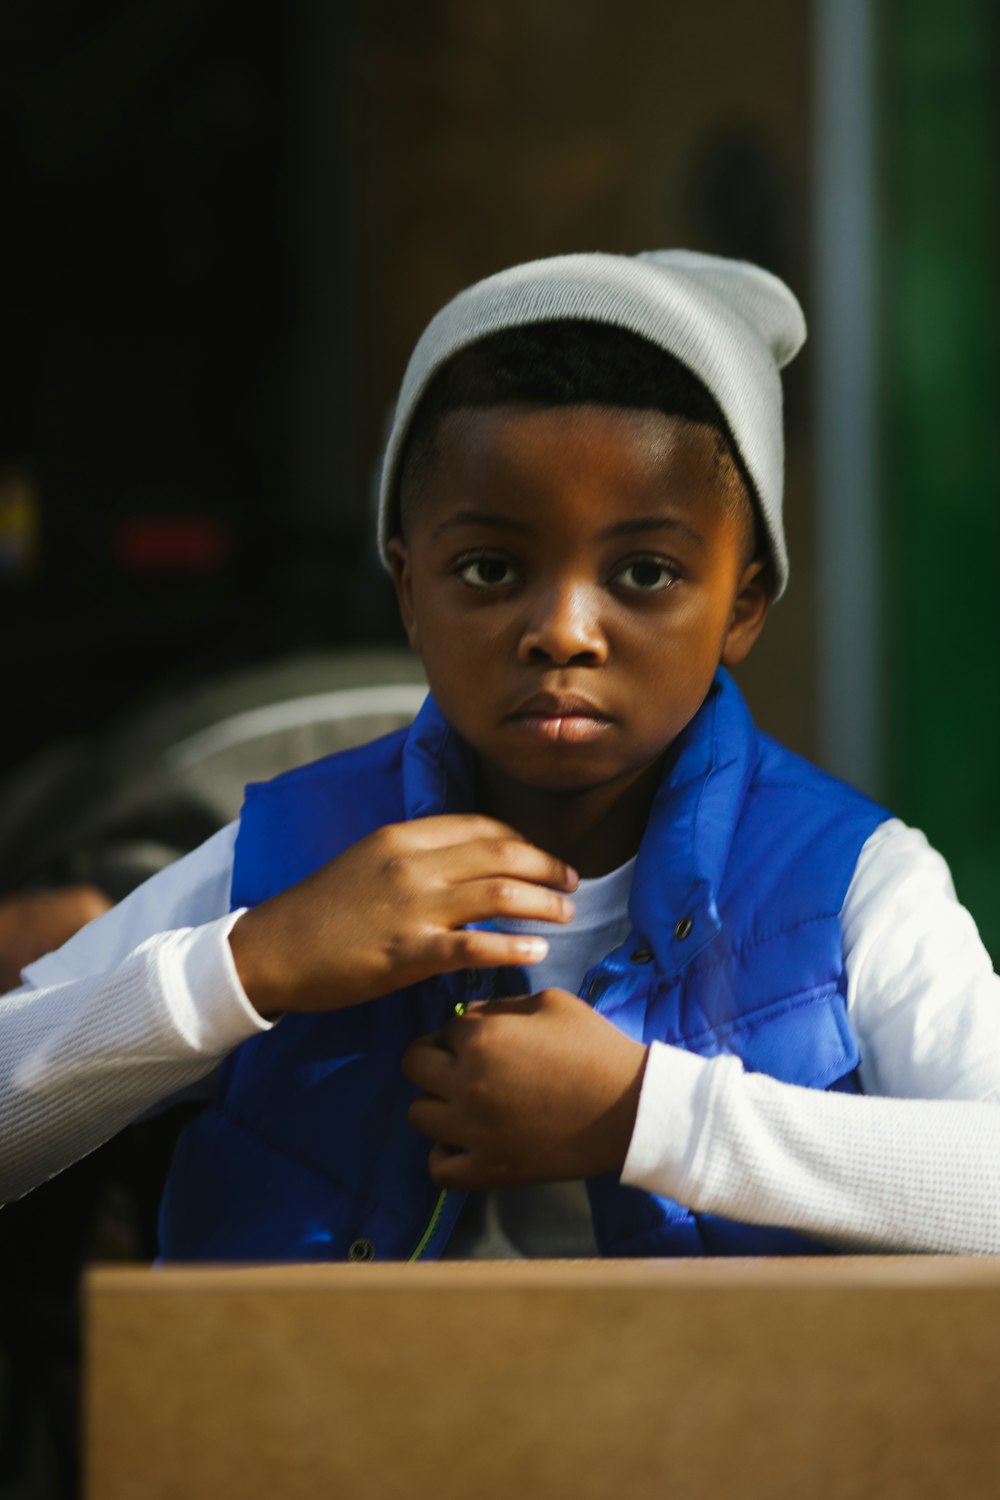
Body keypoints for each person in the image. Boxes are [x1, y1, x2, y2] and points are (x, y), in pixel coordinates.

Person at [4, 250, 1000, 1257]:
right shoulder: (286, 863)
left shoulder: (854, 886)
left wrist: (646, 1117)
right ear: (407, 591)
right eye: (489, 567)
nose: (563, 629)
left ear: (742, 603)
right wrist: (253, 964)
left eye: (644, 573)